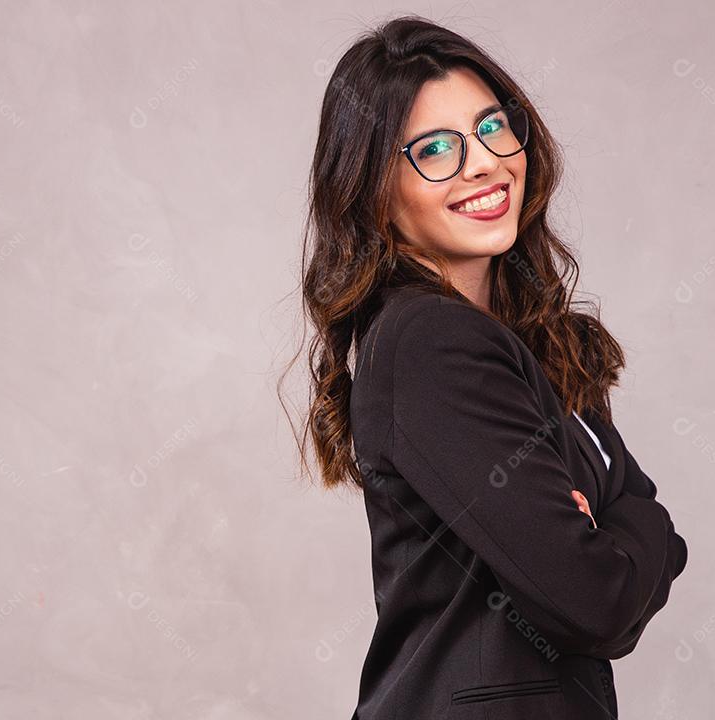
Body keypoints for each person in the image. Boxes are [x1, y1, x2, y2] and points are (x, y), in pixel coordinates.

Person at [282, 15, 688, 719]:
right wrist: (627, 529)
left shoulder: (533, 339)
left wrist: (624, 523)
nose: (483, 164)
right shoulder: (428, 343)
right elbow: (594, 600)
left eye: (493, 127)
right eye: (434, 149)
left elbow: (646, 516)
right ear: (374, 190)